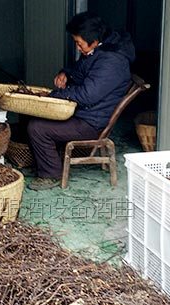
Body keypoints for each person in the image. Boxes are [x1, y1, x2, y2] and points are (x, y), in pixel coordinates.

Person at [27, 12, 135, 190]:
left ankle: (51, 174)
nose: (77, 47)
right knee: (31, 113)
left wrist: (55, 95)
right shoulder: (100, 50)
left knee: (37, 128)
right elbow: (79, 70)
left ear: (93, 40)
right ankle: (41, 160)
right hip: (83, 112)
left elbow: (87, 95)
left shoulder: (112, 61)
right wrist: (66, 73)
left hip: (91, 122)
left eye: (79, 43)